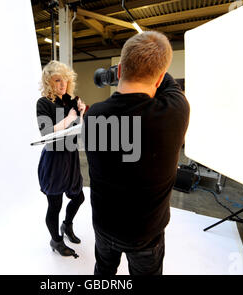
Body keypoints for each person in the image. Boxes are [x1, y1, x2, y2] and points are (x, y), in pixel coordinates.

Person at [83, 31, 190, 274]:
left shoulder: (94, 116)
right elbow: (168, 83)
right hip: (144, 234)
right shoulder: (176, 111)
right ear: (160, 75)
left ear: (120, 69)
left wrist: (119, 72)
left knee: (103, 272)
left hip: (104, 225)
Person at [36, 60, 86, 258]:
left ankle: (67, 225)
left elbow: (78, 128)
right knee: (54, 204)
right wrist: (69, 117)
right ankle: (55, 240)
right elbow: (46, 132)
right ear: (49, 82)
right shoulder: (44, 103)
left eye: (64, 80)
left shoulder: (70, 101)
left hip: (71, 155)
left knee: (79, 197)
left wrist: (80, 113)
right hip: (54, 158)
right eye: (57, 80)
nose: (62, 84)